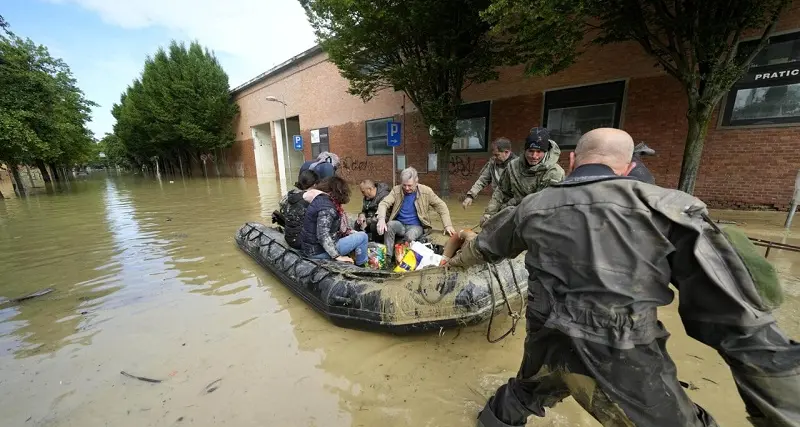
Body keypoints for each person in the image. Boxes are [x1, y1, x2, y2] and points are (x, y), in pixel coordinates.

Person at [448, 128, 800, 427]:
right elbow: (740, 324)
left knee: (527, 389)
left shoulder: (532, 206)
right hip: (621, 355)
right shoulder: (670, 208)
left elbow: (483, 249)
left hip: (548, 337)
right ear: (629, 167)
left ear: (570, 162)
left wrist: (451, 262)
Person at [482, 127, 564, 224]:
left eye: (539, 152)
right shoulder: (513, 166)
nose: (534, 156)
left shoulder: (555, 172)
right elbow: (501, 191)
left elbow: (544, 204)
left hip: (542, 220)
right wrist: (489, 214)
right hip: (514, 216)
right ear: (525, 150)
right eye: (531, 151)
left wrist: (512, 204)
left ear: (545, 152)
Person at [376, 167, 455, 262]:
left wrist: (448, 225)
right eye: (404, 185)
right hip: (400, 224)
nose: (406, 188)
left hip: (417, 226)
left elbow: (441, 206)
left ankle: (405, 260)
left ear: (416, 182)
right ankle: (388, 257)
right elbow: (384, 203)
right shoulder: (396, 190)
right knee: (389, 225)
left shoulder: (426, 191)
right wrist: (381, 219)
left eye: (410, 185)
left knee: (410, 236)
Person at [300, 176, 368, 266]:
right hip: (317, 251)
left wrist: (351, 233)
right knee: (363, 237)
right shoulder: (327, 208)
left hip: (311, 247)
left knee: (355, 234)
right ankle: (362, 265)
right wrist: (337, 256)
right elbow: (322, 235)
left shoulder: (320, 200)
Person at [462, 137, 517, 209]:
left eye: (497, 155)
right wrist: (470, 196)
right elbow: (482, 180)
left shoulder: (518, 165)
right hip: (497, 202)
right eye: (493, 154)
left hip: (514, 205)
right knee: (485, 219)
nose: (494, 157)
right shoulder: (492, 164)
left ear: (507, 152)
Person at [274, 169, 319, 249]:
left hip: (289, 238)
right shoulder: (310, 199)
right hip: (302, 242)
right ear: (315, 185)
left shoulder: (291, 195)